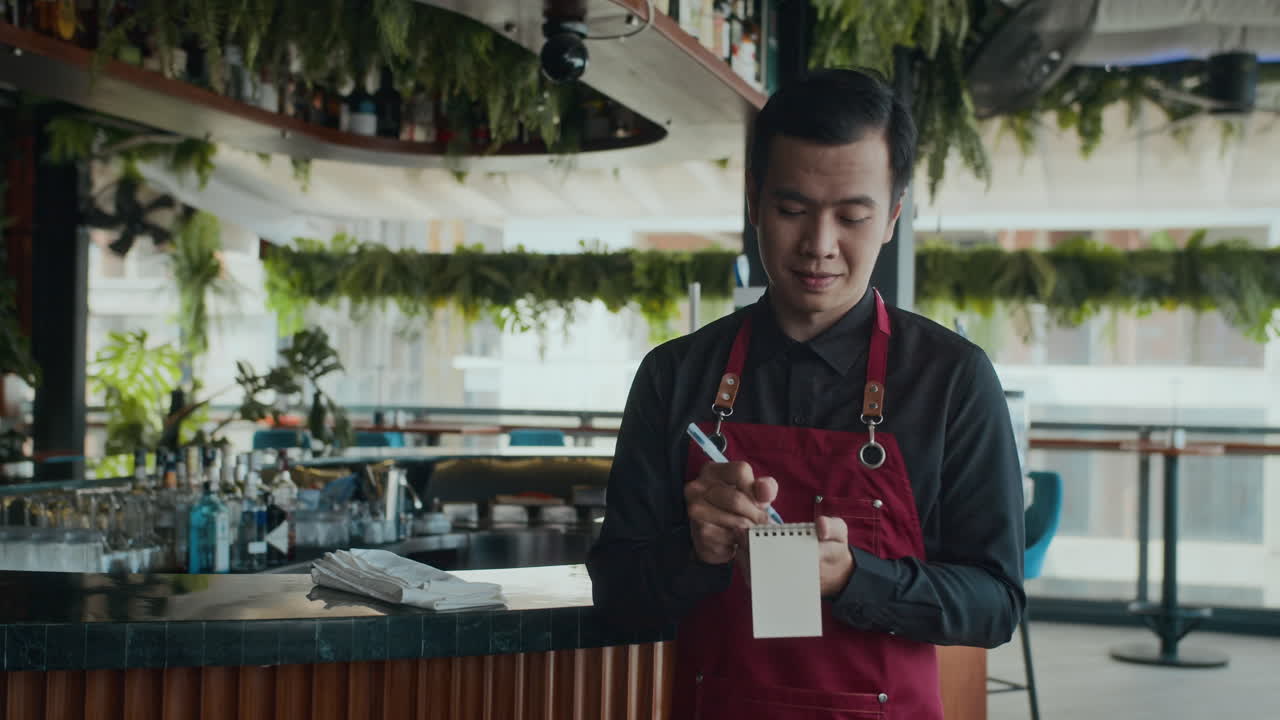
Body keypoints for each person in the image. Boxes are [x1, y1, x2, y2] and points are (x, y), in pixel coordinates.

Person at [586, 68, 1025, 720]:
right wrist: (696, 550)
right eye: (792, 211)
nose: (820, 246)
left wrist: (853, 579)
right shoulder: (676, 375)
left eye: (852, 216)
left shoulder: (952, 379)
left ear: (893, 216)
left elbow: (995, 605)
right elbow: (617, 592)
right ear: (754, 201)